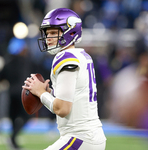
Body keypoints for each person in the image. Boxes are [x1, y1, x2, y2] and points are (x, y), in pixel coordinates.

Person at [23, 8, 106, 150]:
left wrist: (41, 93)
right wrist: (50, 94)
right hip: (89, 137)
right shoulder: (82, 55)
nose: (48, 37)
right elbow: (73, 98)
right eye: (47, 33)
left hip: (80, 138)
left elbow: (62, 108)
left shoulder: (66, 58)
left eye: (54, 32)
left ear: (71, 32)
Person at [0, 37, 34, 150]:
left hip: (11, 93)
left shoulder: (8, 61)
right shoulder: (26, 61)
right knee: (28, 116)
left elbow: (1, 77)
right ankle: (13, 137)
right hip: (23, 93)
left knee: (13, 117)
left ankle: (13, 140)